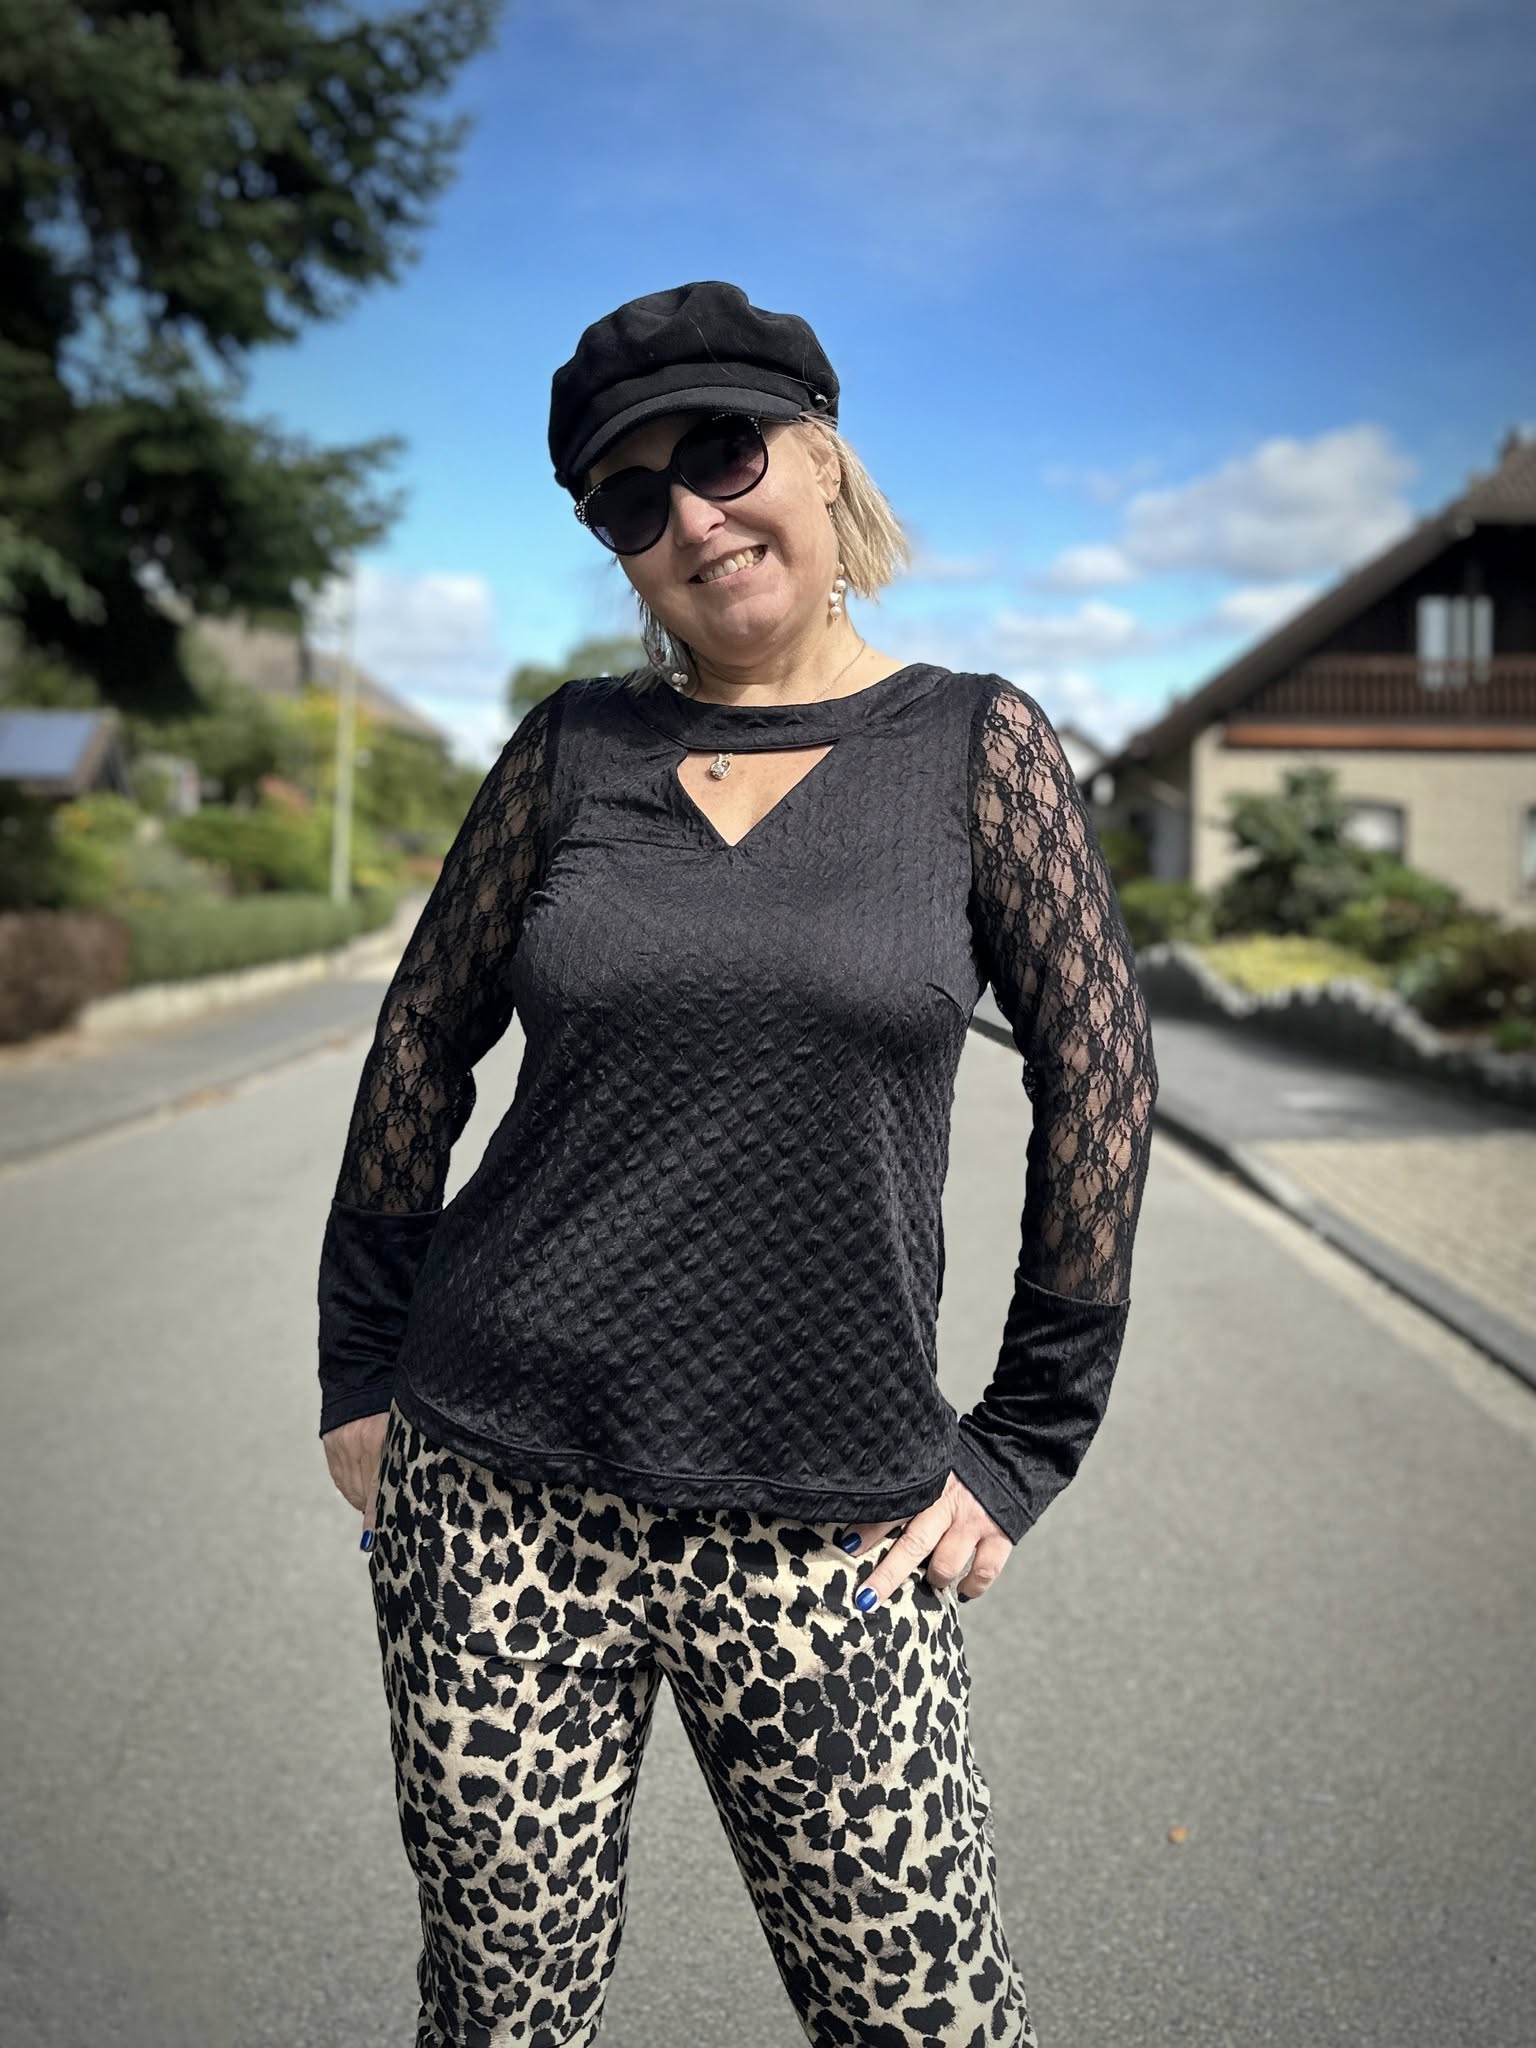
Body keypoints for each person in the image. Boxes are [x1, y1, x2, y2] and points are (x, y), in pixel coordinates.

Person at [318, 278, 1159, 2048]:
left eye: (722, 453)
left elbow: (1102, 1074)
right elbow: (418, 1045)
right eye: (633, 501)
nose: (693, 519)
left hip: (831, 1526)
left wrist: (1028, 1435)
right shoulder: (571, 752)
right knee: (499, 2017)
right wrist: (359, 1363)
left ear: (823, 458)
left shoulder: (975, 745)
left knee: (926, 2018)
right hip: (496, 1498)